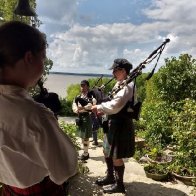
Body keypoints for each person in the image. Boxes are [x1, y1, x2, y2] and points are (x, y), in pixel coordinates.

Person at [0, 21, 77, 195]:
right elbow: (65, 168)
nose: (43, 66)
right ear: (29, 58)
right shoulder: (35, 115)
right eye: (43, 58)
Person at [91, 58, 136, 194]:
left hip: (120, 124)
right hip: (112, 123)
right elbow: (111, 99)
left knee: (116, 156)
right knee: (107, 151)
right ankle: (110, 177)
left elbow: (115, 106)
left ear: (123, 70)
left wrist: (98, 106)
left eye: (115, 70)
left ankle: (119, 185)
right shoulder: (120, 84)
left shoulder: (129, 86)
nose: (113, 73)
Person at [72, 80, 97, 161]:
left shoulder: (91, 97)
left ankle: (86, 154)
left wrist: (82, 108)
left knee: (85, 137)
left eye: (84, 85)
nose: (82, 87)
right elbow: (74, 106)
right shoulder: (78, 96)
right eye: (81, 85)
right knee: (82, 137)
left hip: (87, 117)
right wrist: (77, 110)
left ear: (88, 86)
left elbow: (91, 106)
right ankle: (85, 152)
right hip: (80, 117)